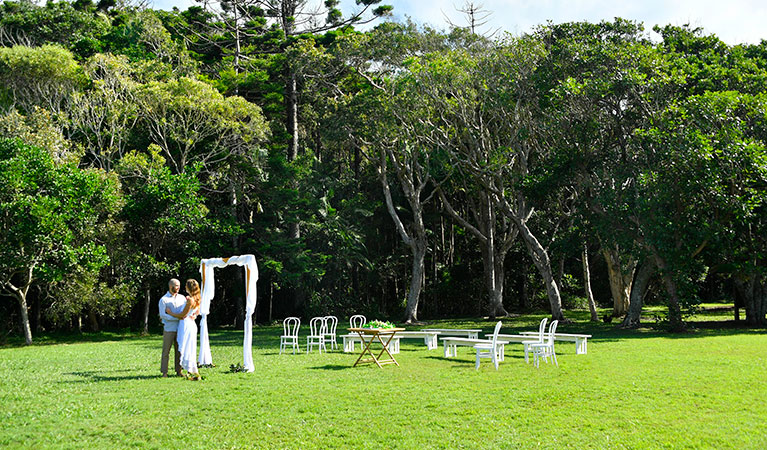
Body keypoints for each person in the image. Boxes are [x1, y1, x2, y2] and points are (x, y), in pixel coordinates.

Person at [166, 279, 201, 380]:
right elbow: (197, 311)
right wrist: (193, 314)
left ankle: (190, 368)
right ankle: (191, 369)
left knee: (185, 346)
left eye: (186, 285)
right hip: (191, 323)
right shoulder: (197, 298)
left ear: (188, 287)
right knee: (190, 347)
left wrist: (170, 312)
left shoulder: (190, 300)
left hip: (185, 324)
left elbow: (182, 315)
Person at [158, 278, 187, 378]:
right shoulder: (164, 300)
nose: (178, 288)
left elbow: (184, 312)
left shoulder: (182, 298)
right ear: (171, 287)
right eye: (176, 286)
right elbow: (163, 315)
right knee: (166, 351)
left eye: (179, 286)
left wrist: (176, 316)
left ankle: (179, 371)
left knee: (179, 351)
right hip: (169, 329)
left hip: (180, 328)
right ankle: (164, 372)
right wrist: (177, 317)